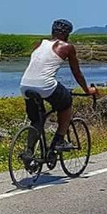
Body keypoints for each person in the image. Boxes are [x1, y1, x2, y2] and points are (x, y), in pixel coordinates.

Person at [19, 19, 97, 152]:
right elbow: (77, 72)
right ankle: (59, 140)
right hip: (45, 85)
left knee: (37, 120)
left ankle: (29, 152)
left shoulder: (39, 44)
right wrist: (87, 89)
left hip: (25, 85)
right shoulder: (67, 47)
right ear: (67, 34)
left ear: (52, 31)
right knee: (66, 102)